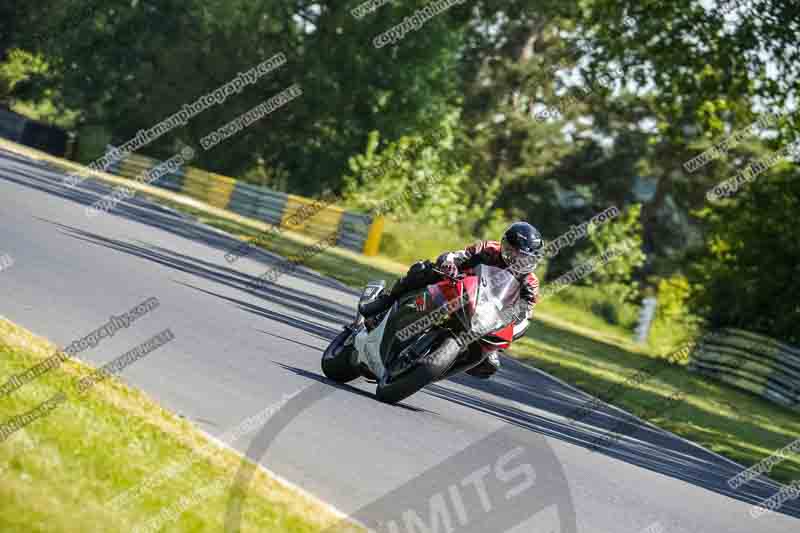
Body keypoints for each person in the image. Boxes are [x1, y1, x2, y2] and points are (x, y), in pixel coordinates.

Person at [359, 222, 544, 379]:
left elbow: (525, 314)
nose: (519, 260)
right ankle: (387, 300)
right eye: (516, 253)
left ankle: (433, 372)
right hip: (461, 289)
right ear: (505, 245)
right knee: (423, 269)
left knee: (490, 363)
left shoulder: (530, 282)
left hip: (487, 317)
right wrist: (449, 264)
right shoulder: (489, 249)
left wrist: (512, 328)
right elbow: (457, 256)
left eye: (527, 258)